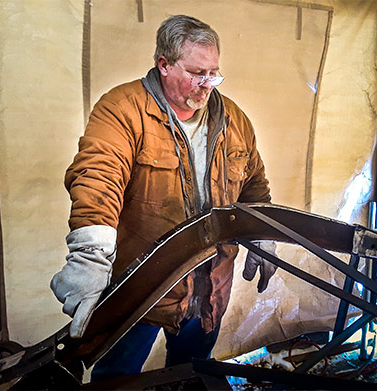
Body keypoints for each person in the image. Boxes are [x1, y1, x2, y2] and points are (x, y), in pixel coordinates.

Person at [50, 14, 277, 382]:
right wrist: (91, 253)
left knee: (190, 375)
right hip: (141, 288)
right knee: (118, 379)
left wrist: (263, 234)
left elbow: (253, 186)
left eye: (213, 74)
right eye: (195, 73)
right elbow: (99, 175)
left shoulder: (234, 119)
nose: (206, 86)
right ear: (164, 64)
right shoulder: (123, 108)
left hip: (209, 289)